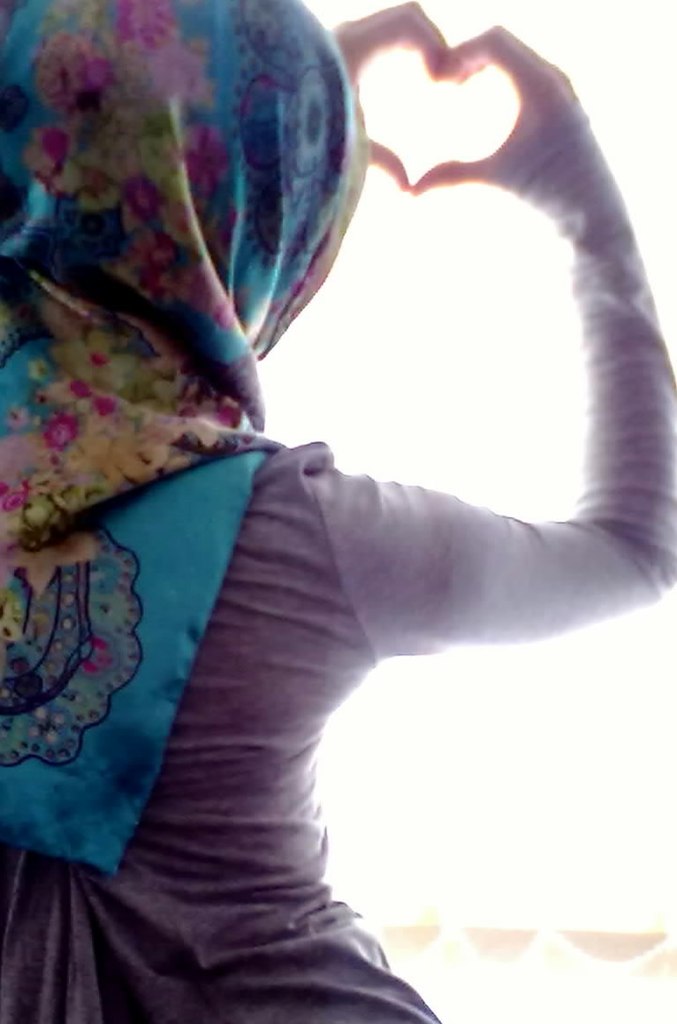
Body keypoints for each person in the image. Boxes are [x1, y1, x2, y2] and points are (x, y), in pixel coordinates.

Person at [0, 0, 675, 1021]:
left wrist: (197, 86)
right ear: (283, 223)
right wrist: (573, 189)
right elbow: (632, 551)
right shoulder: (286, 536)